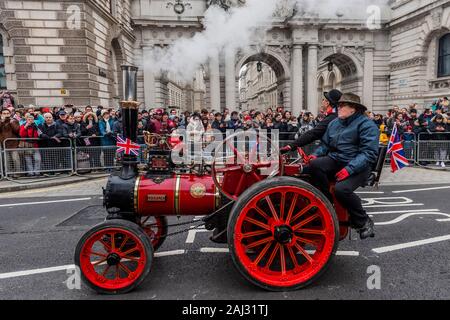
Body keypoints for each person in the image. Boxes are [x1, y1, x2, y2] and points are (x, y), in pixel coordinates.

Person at [307, 93, 379, 240]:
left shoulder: (367, 125)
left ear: (353, 109)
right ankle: (326, 200)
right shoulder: (335, 123)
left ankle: (363, 221)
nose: (338, 108)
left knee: (341, 189)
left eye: (341, 106)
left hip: (359, 166)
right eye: (338, 105)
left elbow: (368, 153)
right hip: (337, 159)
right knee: (313, 165)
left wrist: (349, 170)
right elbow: (325, 145)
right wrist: (316, 154)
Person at [280, 89, 343, 154]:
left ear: (327, 103)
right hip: (329, 151)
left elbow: (313, 133)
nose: (322, 101)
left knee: (312, 163)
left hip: (331, 154)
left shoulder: (332, 117)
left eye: (323, 99)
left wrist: (291, 146)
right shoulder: (334, 115)